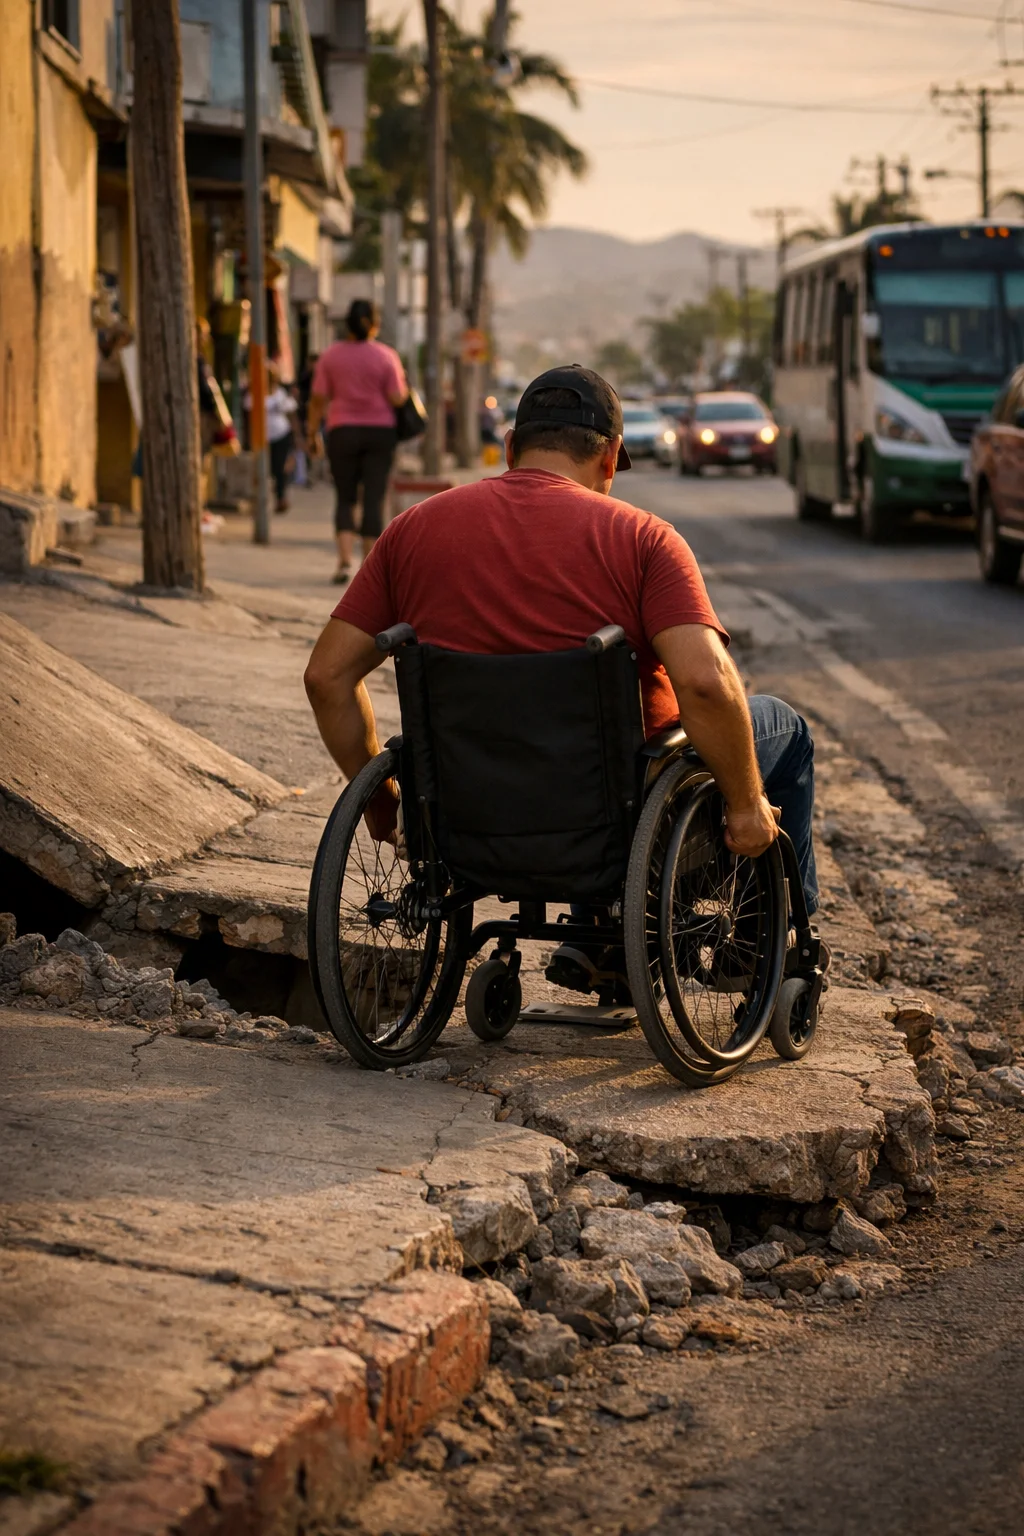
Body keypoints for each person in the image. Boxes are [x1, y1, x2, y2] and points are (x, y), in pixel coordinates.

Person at [304, 364, 820, 994]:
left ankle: (597, 939)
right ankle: (752, 944)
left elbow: (326, 677)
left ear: (513, 448)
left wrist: (386, 811)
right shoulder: (643, 540)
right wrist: (744, 805)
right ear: (608, 458)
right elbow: (706, 684)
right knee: (781, 729)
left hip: (467, 817)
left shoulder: (412, 531)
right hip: (617, 825)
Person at [307, 300, 408, 584]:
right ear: (374, 324)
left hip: (342, 430)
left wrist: (313, 432)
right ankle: (368, 570)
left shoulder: (330, 356)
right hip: (380, 432)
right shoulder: (386, 356)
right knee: (374, 498)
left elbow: (317, 399)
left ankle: (343, 562)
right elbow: (398, 398)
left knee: (345, 497)